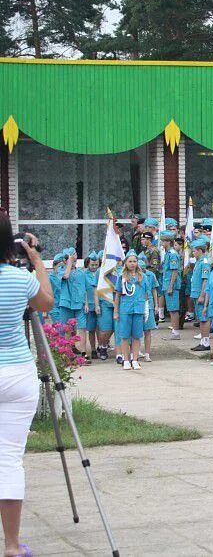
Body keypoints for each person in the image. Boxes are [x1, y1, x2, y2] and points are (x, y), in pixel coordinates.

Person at [0, 225, 53, 557]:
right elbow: (45, 304)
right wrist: (37, 262)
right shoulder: (19, 278)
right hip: (16, 371)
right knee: (8, 460)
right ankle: (12, 545)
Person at [113, 251, 148, 370]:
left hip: (138, 309)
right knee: (124, 335)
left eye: (134, 261)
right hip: (125, 309)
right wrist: (116, 311)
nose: (132, 264)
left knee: (137, 335)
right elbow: (117, 295)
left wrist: (146, 309)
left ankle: (135, 359)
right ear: (125, 263)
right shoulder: (122, 277)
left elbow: (145, 294)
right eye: (130, 261)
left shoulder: (142, 277)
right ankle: (126, 359)